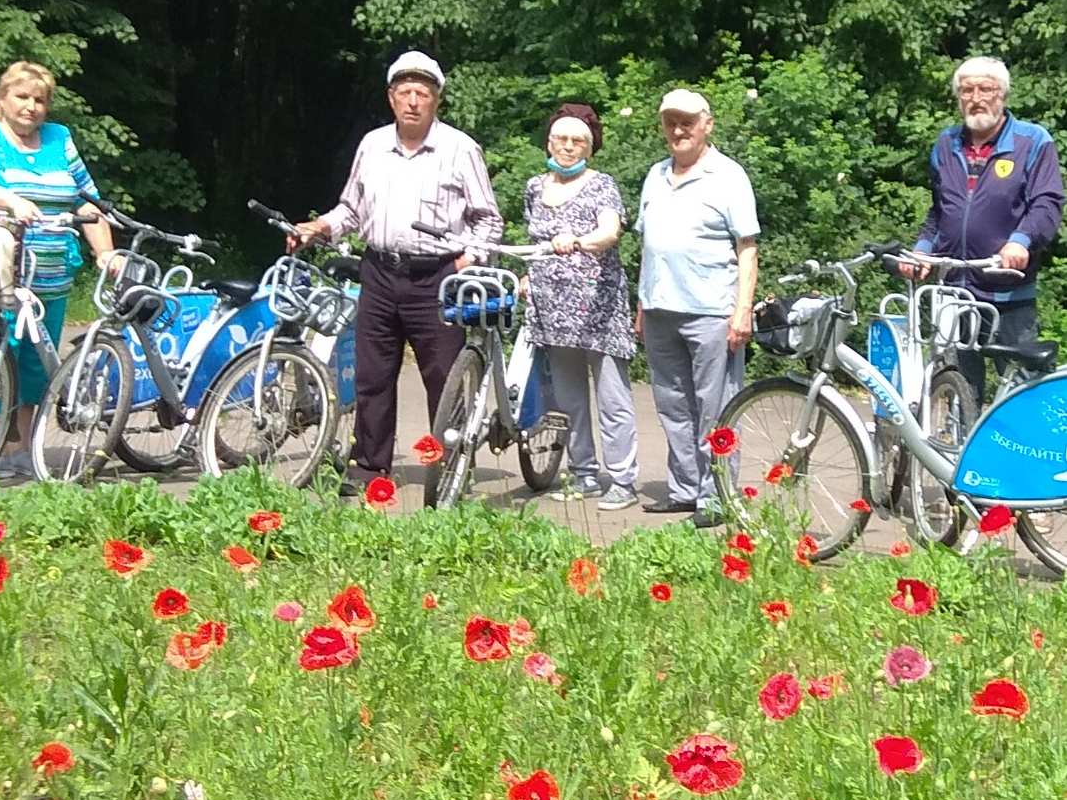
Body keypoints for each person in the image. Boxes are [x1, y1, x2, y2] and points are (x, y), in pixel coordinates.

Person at [293, 51, 503, 486]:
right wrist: (318, 227)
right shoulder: (372, 145)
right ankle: (370, 466)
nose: (412, 101)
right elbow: (351, 209)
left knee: (443, 378)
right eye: (404, 92)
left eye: (422, 93)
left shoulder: (460, 149)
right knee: (372, 374)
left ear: (436, 100)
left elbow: (489, 219)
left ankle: (450, 468)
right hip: (380, 273)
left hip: (438, 277)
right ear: (391, 99)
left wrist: (467, 259)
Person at [0, 61, 118, 477]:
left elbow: (87, 201)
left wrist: (105, 254)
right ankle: (1, 450)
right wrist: (10, 200)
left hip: (51, 273)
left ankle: (26, 451)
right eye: (22, 96)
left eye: (39, 99)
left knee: (37, 365)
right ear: (2, 99)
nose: (31, 106)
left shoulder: (60, 138)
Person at [907, 56, 1064, 404]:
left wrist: (1021, 242)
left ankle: (1027, 457)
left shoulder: (1032, 141)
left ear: (1002, 95)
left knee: (1023, 392)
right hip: (955, 294)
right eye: (967, 90)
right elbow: (940, 210)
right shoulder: (945, 144)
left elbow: (1046, 203)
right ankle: (959, 454)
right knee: (959, 391)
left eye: (985, 89)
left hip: (1008, 293)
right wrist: (922, 249)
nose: (976, 97)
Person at [636, 89, 759, 526]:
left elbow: (747, 248)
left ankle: (718, 496)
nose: (678, 129)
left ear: (707, 125)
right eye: (670, 121)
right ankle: (685, 490)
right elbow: (650, 247)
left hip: (711, 309)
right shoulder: (655, 175)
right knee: (672, 404)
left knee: (717, 407)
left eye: (687, 121)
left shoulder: (728, 176)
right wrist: (641, 302)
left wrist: (742, 309)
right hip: (659, 308)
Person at [523, 103, 639, 510]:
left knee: (612, 398)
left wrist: (580, 240)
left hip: (598, 310)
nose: (568, 147)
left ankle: (623, 480)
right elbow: (533, 239)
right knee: (568, 399)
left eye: (578, 141)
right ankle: (584, 473)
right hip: (551, 310)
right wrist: (527, 276)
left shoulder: (601, 184)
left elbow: (611, 230)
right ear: (549, 141)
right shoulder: (535, 187)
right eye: (561, 139)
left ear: (590, 147)